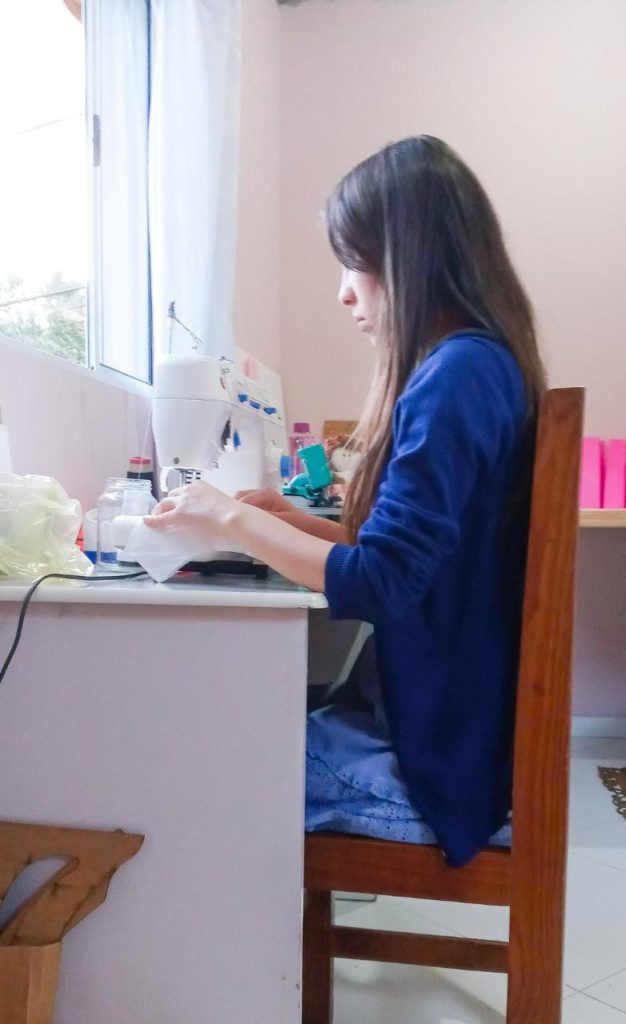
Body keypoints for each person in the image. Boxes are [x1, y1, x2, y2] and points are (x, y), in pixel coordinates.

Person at [145, 135, 546, 868]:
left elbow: (381, 585)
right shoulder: (481, 366)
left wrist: (225, 515)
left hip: (437, 760)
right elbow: (419, 555)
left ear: (411, 255)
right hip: (455, 725)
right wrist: (294, 521)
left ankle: (237, 980)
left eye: (355, 262)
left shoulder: (456, 376)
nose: (344, 291)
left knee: (187, 764)